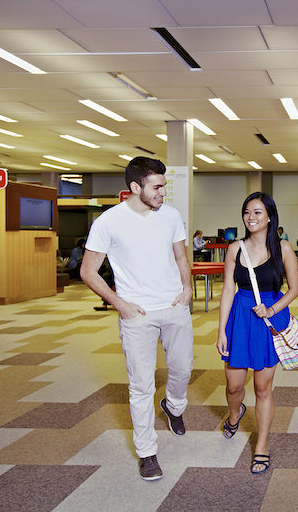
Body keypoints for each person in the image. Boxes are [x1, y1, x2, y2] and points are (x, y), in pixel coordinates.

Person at [80, 156, 194, 482]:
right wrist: (120, 304)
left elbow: (181, 256)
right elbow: (88, 271)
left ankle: (173, 406)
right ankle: (147, 452)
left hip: (174, 306)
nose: (163, 193)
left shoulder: (170, 216)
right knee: (141, 385)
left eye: (164, 186)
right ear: (135, 187)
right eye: (156, 187)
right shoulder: (108, 222)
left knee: (183, 368)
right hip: (137, 314)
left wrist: (187, 289)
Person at [216, 192, 298, 475]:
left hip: (268, 318)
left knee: (263, 388)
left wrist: (272, 309)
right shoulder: (234, 249)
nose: (250, 218)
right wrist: (221, 330)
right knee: (233, 386)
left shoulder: (283, 248)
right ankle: (235, 413)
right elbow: (228, 289)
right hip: (240, 318)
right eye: (247, 212)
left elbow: (294, 289)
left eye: (257, 213)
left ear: (269, 217)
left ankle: (262, 445)